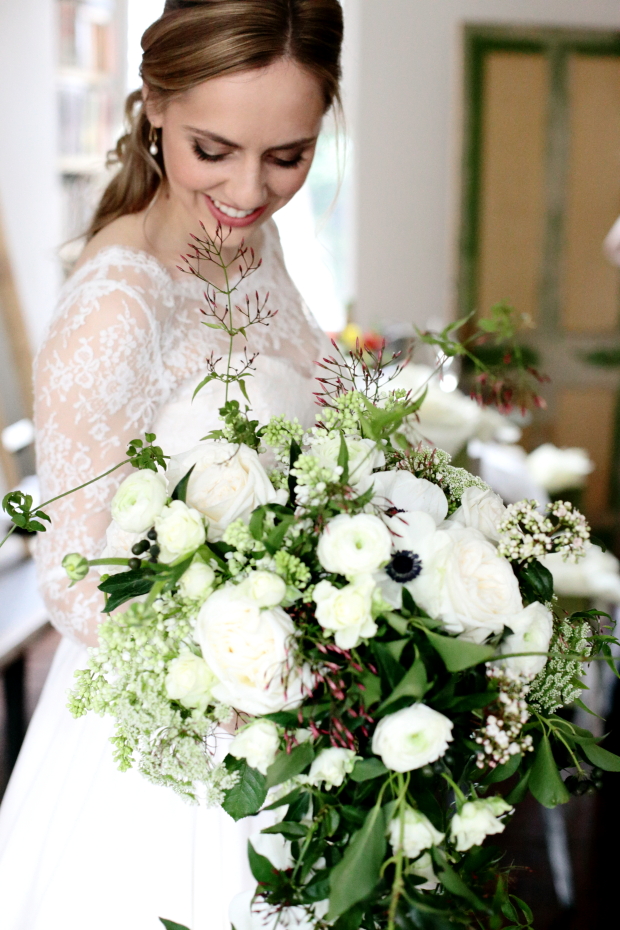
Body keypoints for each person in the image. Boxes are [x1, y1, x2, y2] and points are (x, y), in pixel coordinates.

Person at [0, 1, 344, 927]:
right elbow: (75, 584)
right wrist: (259, 663)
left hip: (303, 710)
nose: (249, 190)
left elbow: (320, 407)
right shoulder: (115, 310)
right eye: (214, 150)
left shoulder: (248, 243)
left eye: (289, 155)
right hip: (175, 754)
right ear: (154, 106)